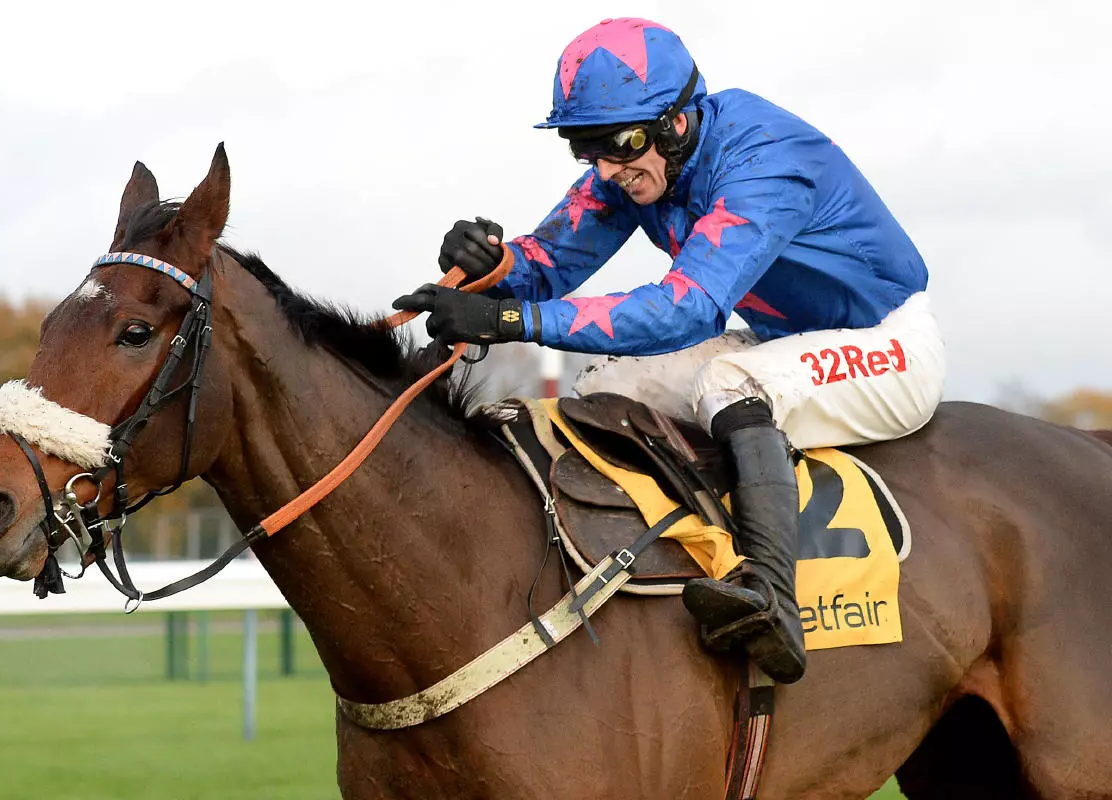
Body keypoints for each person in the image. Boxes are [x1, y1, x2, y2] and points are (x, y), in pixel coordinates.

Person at [393, 17, 945, 684]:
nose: (606, 169)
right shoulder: (638, 163)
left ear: (677, 122)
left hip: (886, 345)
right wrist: (491, 266)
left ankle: (772, 598)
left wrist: (511, 317)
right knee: (607, 387)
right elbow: (546, 267)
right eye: (584, 148)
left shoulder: (765, 160)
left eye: (619, 146)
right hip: (783, 341)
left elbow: (687, 308)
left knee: (729, 384)